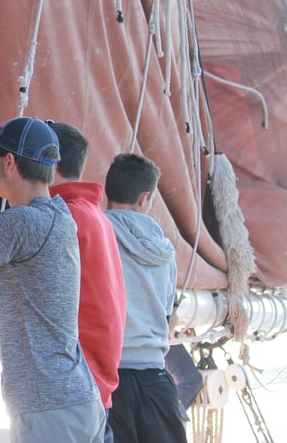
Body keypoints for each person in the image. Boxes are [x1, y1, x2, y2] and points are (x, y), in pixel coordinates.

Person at [0, 116, 105, 443]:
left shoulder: (24, 223)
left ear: (9, 162)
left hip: (48, 405)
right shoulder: (56, 214)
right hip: (73, 398)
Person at [47, 121, 126, 442]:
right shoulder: (95, 216)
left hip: (71, 388)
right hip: (96, 387)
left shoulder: (62, 217)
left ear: (47, 162)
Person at [104, 153, 187, 443]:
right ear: (145, 198)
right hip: (155, 381)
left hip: (108, 382)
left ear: (107, 189)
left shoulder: (92, 234)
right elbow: (168, 317)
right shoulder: (165, 251)